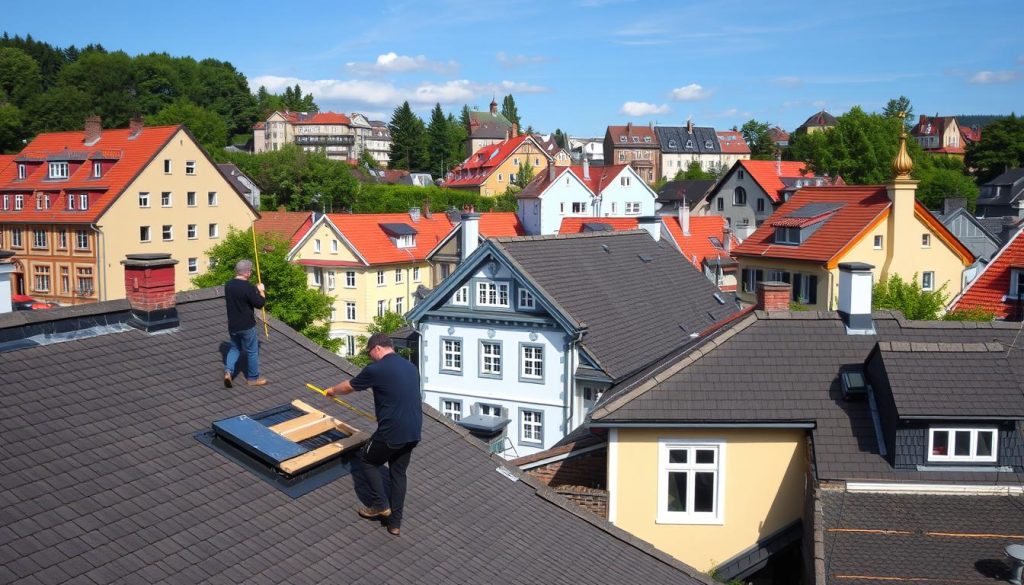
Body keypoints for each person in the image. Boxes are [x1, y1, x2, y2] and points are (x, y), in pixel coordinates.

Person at [326, 333, 422, 537]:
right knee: (398, 473)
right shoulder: (410, 367)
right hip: (413, 430)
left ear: (377, 348)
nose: (370, 358)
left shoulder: (377, 369)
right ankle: (395, 523)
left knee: (367, 460)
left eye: (370, 354)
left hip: (391, 431)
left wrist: (332, 391)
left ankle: (379, 504)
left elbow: (349, 386)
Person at [223, 259, 267, 387]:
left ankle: (228, 372)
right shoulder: (248, 287)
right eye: (250, 271)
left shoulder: (228, 285)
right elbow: (260, 304)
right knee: (252, 351)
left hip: (233, 325)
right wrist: (261, 290)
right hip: (246, 325)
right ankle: (253, 379)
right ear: (247, 273)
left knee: (235, 348)